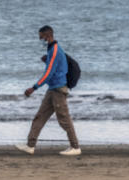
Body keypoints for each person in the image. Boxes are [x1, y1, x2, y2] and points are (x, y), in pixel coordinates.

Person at [16, 25, 81, 156]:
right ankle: (30, 145)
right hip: (52, 89)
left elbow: (49, 73)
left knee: (64, 119)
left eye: (41, 36)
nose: (40, 38)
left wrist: (34, 87)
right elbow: (54, 67)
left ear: (47, 35)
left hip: (58, 90)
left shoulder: (55, 50)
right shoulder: (51, 49)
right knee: (39, 117)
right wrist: (46, 61)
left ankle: (75, 147)